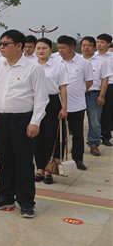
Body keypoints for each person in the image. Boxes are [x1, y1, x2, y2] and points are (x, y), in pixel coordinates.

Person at [0, 30, 48, 218]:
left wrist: (35, 122)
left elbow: (41, 99)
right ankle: (5, 196)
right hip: (1, 119)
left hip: (23, 121)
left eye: (6, 44)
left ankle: (26, 202)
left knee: (23, 162)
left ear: (19, 46)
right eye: (0, 43)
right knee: (4, 160)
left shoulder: (33, 68)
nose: (1, 47)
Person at [54, 35, 93, 170]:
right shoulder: (54, 60)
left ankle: (78, 159)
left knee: (77, 133)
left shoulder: (83, 63)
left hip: (77, 105)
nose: (60, 51)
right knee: (59, 134)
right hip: (58, 104)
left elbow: (89, 82)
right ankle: (58, 159)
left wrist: (78, 91)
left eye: (63, 48)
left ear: (72, 48)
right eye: (59, 48)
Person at [33, 38, 68, 184]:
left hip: (52, 102)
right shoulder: (31, 65)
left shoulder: (58, 66)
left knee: (51, 137)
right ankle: (39, 169)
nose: (41, 51)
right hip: (34, 102)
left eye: (44, 48)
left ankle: (49, 170)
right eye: (38, 48)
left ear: (50, 49)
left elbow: (63, 88)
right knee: (36, 137)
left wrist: (64, 107)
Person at [81, 36, 112, 156]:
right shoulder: (77, 60)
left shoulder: (101, 61)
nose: (86, 47)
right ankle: (77, 145)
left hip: (94, 94)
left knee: (94, 121)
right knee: (76, 123)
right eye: (84, 45)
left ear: (93, 47)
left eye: (89, 45)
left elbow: (105, 79)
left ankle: (94, 144)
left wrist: (102, 95)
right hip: (78, 95)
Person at [96, 33, 113, 146]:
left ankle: (106, 136)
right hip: (95, 86)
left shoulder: (111, 57)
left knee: (107, 111)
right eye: (97, 42)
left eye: (102, 42)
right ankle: (95, 137)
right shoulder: (93, 56)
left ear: (108, 44)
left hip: (110, 86)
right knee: (95, 113)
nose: (99, 44)